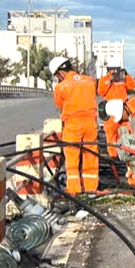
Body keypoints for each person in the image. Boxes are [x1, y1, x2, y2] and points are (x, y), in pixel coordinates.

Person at [50, 57, 99, 195]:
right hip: (91, 123)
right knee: (91, 155)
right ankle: (91, 188)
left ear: (60, 72)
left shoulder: (61, 87)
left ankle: (74, 190)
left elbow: (60, 105)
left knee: (72, 157)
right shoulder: (90, 81)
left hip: (73, 124)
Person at [98, 62, 135, 158]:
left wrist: (126, 75)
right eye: (112, 69)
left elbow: (132, 86)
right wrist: (109, 80)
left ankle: (129, 153)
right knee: (111, 133)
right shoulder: (104, 80)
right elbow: (101, 91)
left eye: (116, 69)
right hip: (111, 110)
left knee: (128, 131)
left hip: (123, 109)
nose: (114, 71)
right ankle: (113, 156)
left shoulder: (122, 79)